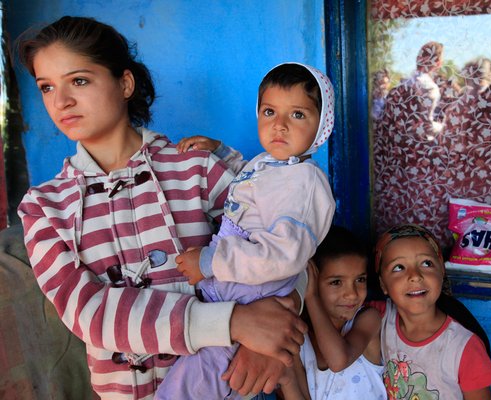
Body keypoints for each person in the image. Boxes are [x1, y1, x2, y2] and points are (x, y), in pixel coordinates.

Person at [16, 16, 307, 399]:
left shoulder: (198, 169)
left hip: (226, 388)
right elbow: (87, 312)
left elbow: (288, 251)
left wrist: (274, 335)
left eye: (79, 81)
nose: (61, 101)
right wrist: (235, 323)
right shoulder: (44, 207)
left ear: (125, 83)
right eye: (47, 87)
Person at [155, 62, 336, 399]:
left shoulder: (306, 183)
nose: (279, 124)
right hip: (237, 295)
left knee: (191, 384)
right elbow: (250, 180)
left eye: (297, 114)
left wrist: (210, 262)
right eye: (269, 112)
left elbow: (283, 257)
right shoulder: (274, 165)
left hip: (253, 299)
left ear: (322, 126)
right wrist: (219, 151)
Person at [371, 224, 491, 399]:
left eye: (426, 263)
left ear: (441, 271)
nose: (415, 276)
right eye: (399, 267)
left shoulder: (463, 346)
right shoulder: (379, 316)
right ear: (383, 284)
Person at [279, 225, 386, 399]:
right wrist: (286, 378)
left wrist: (312, 297)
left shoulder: (367, 319)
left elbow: (338, 361)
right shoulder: (297, 338)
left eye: (360, 279)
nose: (352, 294)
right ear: (311, 281)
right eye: (336, 282)